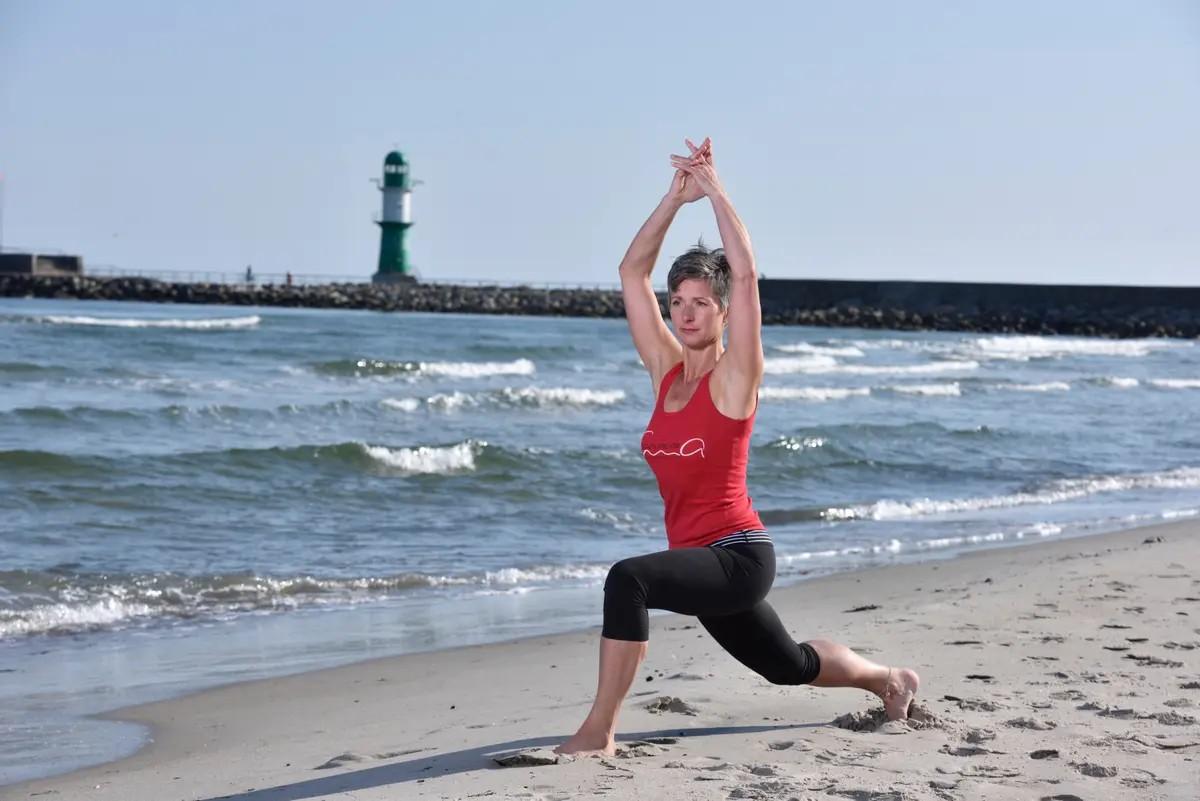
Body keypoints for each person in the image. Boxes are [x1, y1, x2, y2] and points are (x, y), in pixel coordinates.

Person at [554, 138, 920, 757]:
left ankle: (599, 731)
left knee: (627, 581)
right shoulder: (665, 371)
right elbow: (630, 273)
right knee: (790, 665)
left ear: (724, 313)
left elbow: (747, 273)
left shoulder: (736, 377)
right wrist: (675, 198)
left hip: (737, 557)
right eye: (679, 303)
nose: (687, 314)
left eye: (702, 304)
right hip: (700, 562)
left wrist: (716, 190)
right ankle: (889, 679)